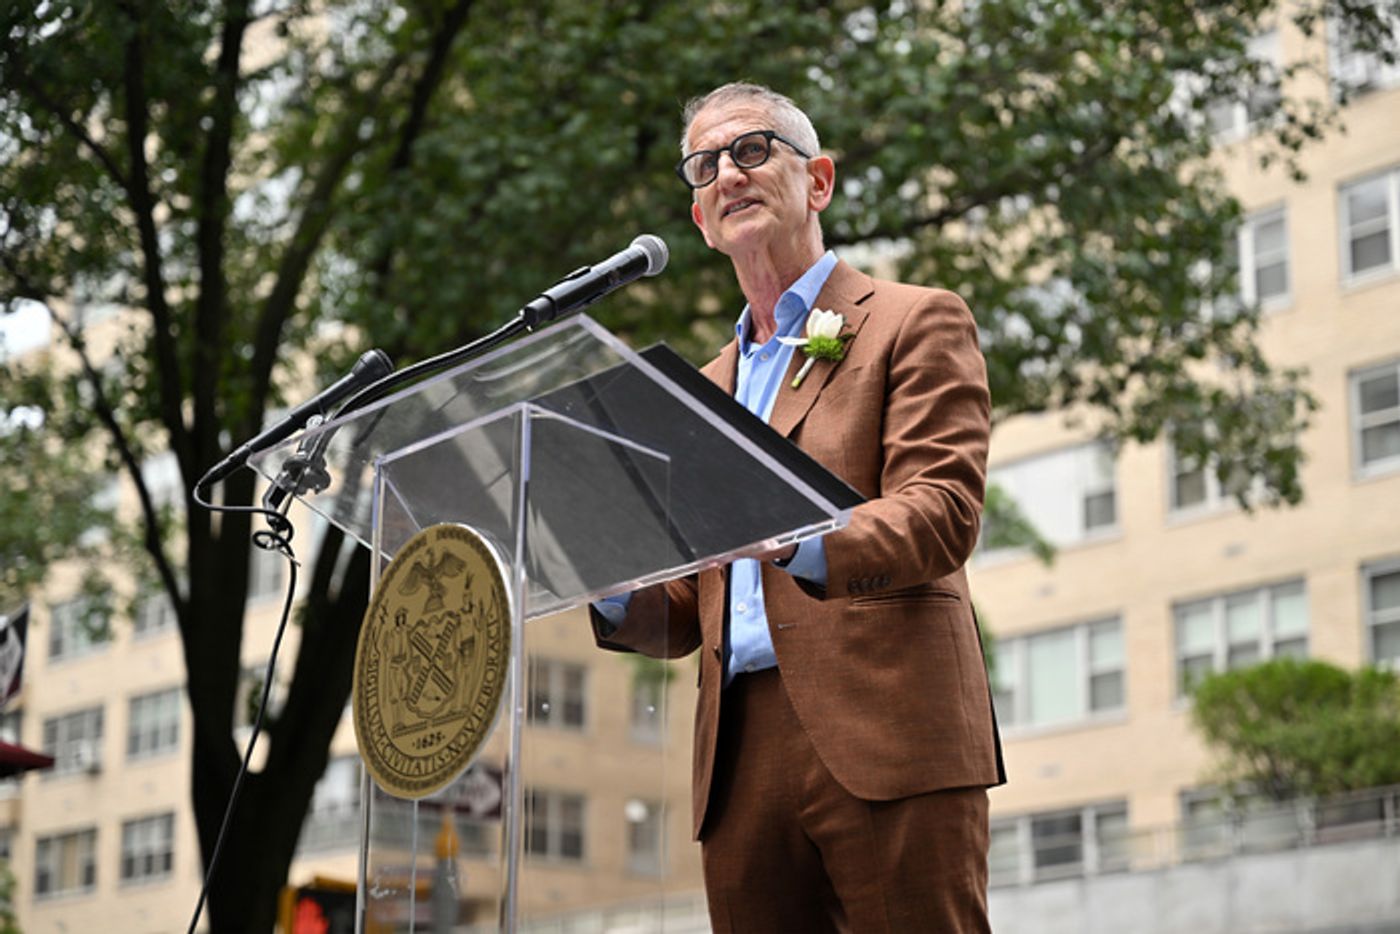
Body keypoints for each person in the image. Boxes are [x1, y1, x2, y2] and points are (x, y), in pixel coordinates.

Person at [592, 82, 1004, 933]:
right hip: (738, 757)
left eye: (751, 150)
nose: (728, 175)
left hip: (886, 727)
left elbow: (942, 511)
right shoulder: (699, 396)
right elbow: (688, 605)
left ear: (817, 181)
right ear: (701, 221)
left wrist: (792, 532)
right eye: (704, 166)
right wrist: (597, 576)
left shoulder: (913, 321)